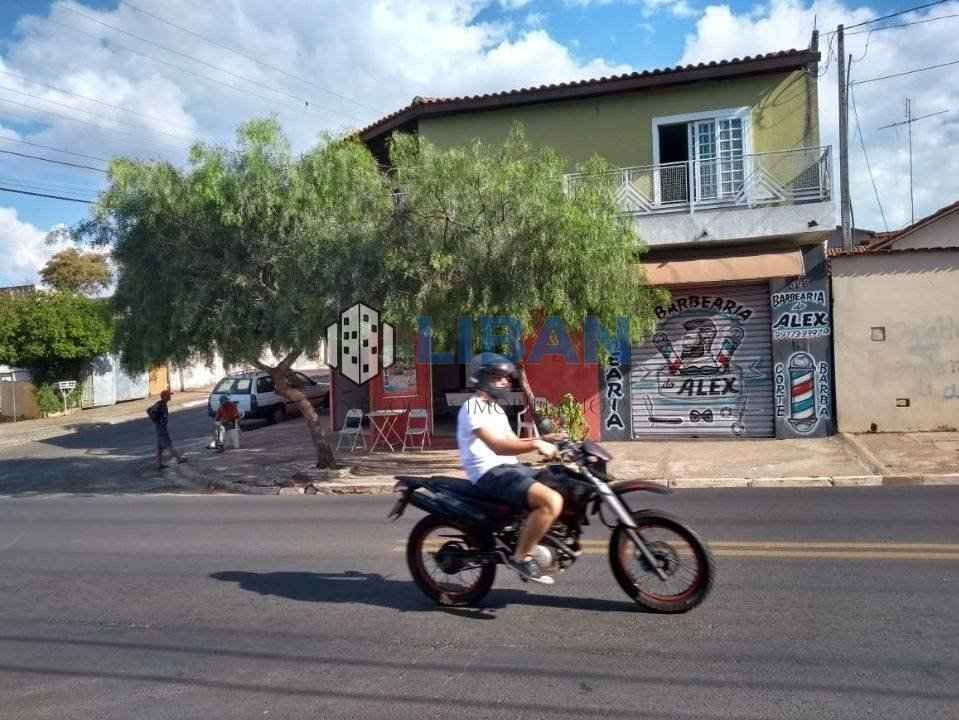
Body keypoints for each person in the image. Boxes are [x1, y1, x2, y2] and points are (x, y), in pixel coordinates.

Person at [457, 353, 561, 585]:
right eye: (498, 377)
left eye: (506, 378)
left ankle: (535, 536)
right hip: (489, 473)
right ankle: (521, 557)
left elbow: (513, 442)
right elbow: (498, 446)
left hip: (508, 467)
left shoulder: (495, 409)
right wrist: (535, 443)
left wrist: (547, 440)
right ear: (483, 378)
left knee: (562, 482)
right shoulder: (473, 407)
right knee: (551, 501)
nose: (506, 382)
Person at [148, 389, 186, 469]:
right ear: (164, 396)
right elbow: (150, 411)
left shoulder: (161, 404)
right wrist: (157, 421)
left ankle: (159, 464)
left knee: (159, 447)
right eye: (168, 395)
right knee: (168, 444)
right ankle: (179, 459)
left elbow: (150, 411)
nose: (170, 396)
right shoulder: (161, 404)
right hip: (161, 427)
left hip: (160, 427)